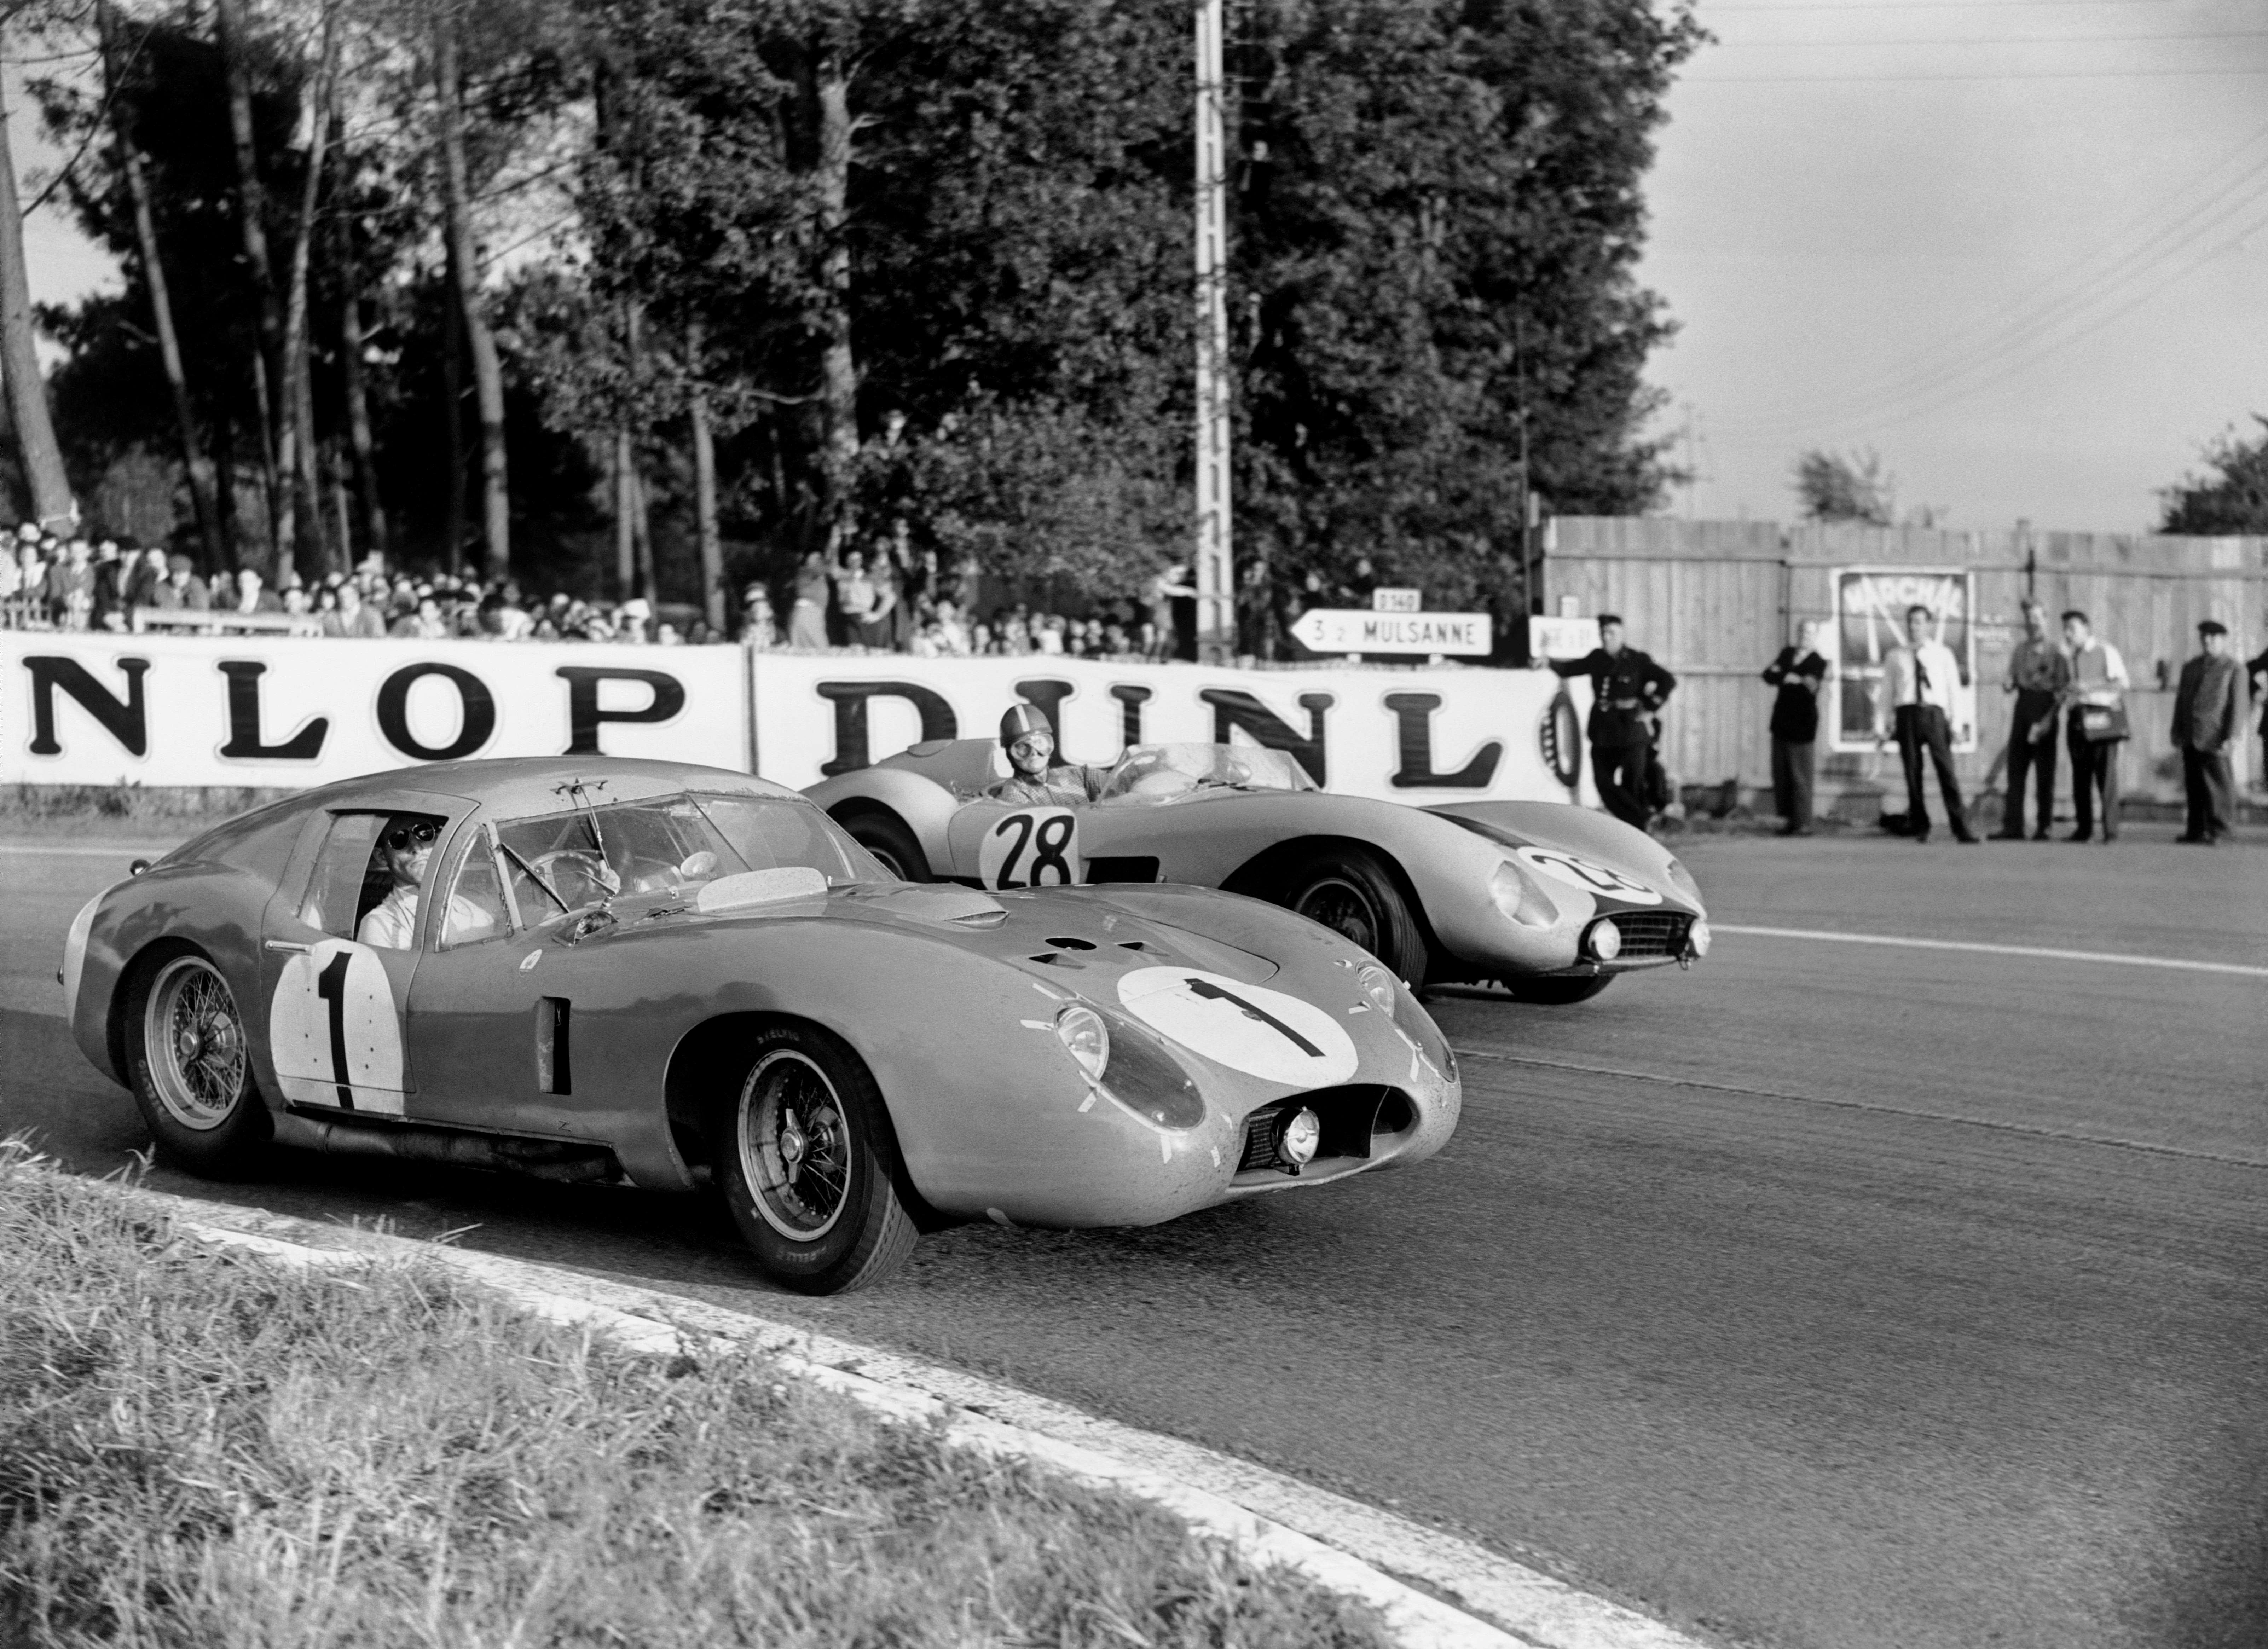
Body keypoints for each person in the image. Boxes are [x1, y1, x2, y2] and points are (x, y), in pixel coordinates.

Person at [1540, 614, 1677, 830]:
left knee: (1633, 783)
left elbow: (1667, 680)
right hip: (1603, 731)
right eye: (1603, 633)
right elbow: (1570, 669)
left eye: (1611, 633)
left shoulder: (1637, 660)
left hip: (1631, 730)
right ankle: (1642, 820)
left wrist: (1650, 707)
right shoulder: (1597, 658)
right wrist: (1548, 661)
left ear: (1621, 635)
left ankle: (1639, 829)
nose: (1606, 637)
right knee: (1603, 784)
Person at [1874, 603, 1976, 844]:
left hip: (1934, 714)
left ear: (1928, 625)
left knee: (1946, 771)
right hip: (1906, 714)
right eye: (1911, 622)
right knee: (1913, 772)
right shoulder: (1896, 656)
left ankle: (1960, 826)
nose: (1915, 627)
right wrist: (1880, 726)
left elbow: (1954, 690)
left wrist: (1958, 725)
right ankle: (1921, 825)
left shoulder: (1943, 653)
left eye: (1920, 622)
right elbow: (1887, 693)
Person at [1995, 599, 2069, 840]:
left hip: (2045, 706)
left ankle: (2044, 826)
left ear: (2046, 620)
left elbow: (2062, 689)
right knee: (2016, 769)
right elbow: (2011, 679)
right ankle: (2014, 826)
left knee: (2045, 772)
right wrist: (2008, 683)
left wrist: (2049, 719)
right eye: (2029, 619)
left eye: (2037, 618)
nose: (2033, 623)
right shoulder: (2019, 650)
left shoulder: (2057, 652)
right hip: (2023, 705)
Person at [2056, 609, 2129, 843]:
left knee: (2106, 776)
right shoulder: (2068, 657)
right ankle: (2084, 829)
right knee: (2080, 776)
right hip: (2077, 717)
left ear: (2087, 629)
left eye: (2072, 629)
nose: (2068, 634)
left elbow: (2121, 683)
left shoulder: (2105, 651)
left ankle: (2111, 830)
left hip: (2101, 716)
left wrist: (2089, 687)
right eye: (2065, 629)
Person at [2171, 620, 2241, 844]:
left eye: (2213, 637)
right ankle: (2196, 830)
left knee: (2219, 785)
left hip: (2216, 735)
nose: (2207, 641)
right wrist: (2177, 728)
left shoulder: (2233, 668)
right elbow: (2182, 700)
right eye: (2204, 636)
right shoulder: (2191, 667)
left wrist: (2233, 735)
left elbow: (2238, 706)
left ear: (2223, 640)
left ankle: (2222, 830)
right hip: (2192, 734)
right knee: (2194, 785)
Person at [1761, 619, 1829, 835]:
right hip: (1781, 722)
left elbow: (1810, 684)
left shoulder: (1818, 661)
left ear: (1816, 636)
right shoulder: (1787, 653)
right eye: (1802, 632)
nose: (1805, 637)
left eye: (1810, 633)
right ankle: (1787, 820)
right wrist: (1786, 677)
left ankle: (1803, 823)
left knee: (1801, 775)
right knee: (1782, 775)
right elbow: (1768, 675)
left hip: (1803, 724)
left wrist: (1788, 676)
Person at [986, 703, 1107, 807]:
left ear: (1050, 744)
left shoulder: (1080, 775)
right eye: (1023, 747)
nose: (1034, 752)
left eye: (1039, 742)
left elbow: (1120, 785)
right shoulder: (1014, 797)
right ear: (1010, 754)